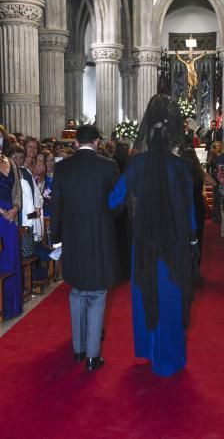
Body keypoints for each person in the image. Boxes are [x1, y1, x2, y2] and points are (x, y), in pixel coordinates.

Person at [109, 94, 198, 377]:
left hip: (145, 243)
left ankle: (148, 348)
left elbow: (114, 201)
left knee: (146, 291)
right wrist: (193, 242)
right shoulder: (182, 167)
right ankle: (169, 357)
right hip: (174, 244)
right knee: (171, 296)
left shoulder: (136, 165)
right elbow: (189, 212)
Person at [51, 125, 120, 371]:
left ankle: (78, 350)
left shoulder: (61, 167)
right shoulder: (108, 166)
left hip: (72, 238)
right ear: (98, 141)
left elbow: (56, 207)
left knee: (77, 292)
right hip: (100, 237)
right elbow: (117, 205)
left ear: (76, 142)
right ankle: (93, 356)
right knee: (97, 294)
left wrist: (56, 237)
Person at [0, 150, 22, 319]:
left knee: (11, 259)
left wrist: (15, 208)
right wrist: (2, 211)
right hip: (2, 215)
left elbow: (17, 191)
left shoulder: (11, 162)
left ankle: (11, 306)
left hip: (11, 218)